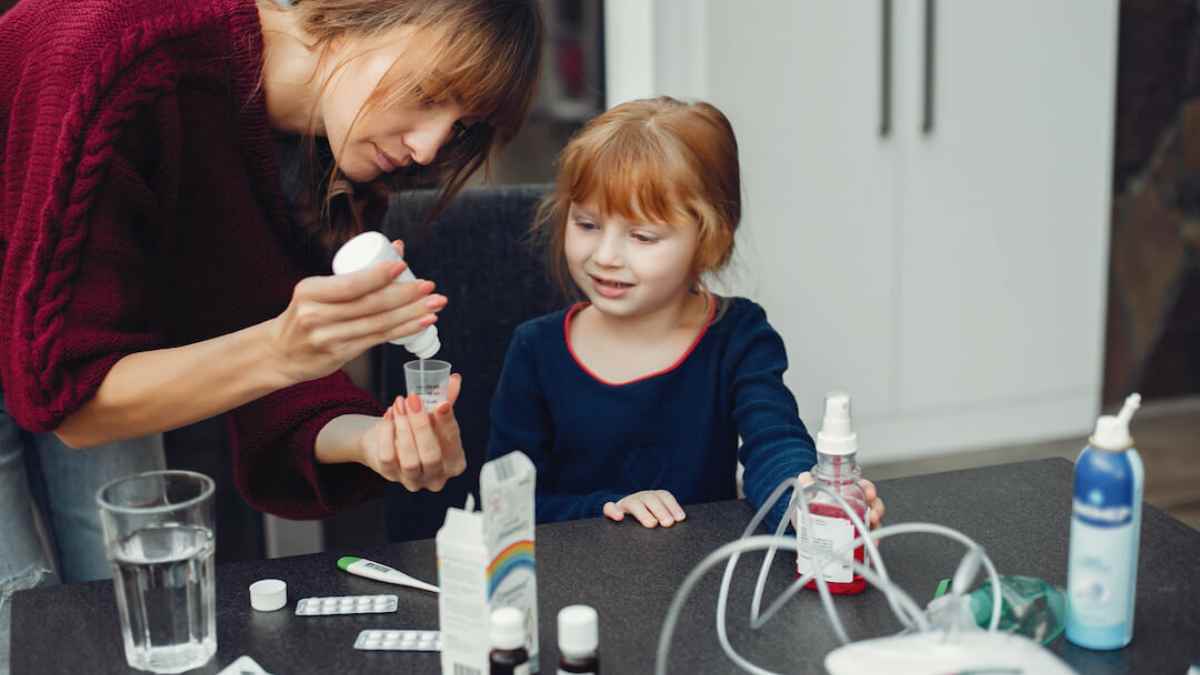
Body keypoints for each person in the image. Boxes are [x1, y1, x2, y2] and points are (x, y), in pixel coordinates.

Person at [0, 0, 542, 666]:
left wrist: (374, 441)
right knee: (19, 612)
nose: (430, 146)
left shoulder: (330, 162)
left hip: (90, 331)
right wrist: (282, 347)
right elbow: (73, 405)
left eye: (460, 126)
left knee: (126, 605)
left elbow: (274, 385)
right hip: (47, 305)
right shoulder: (130, 59)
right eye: (430, 93)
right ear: (357, 13)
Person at [486, 97, 885, 534]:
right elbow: (508, 505)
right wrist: (609, 506)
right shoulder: (535, 350)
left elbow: (774, 443)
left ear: (709, 240)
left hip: (698, 580)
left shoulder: (739, 336)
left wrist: (807, 501)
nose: (605, 256)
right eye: (587, 225)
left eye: (642, 236)